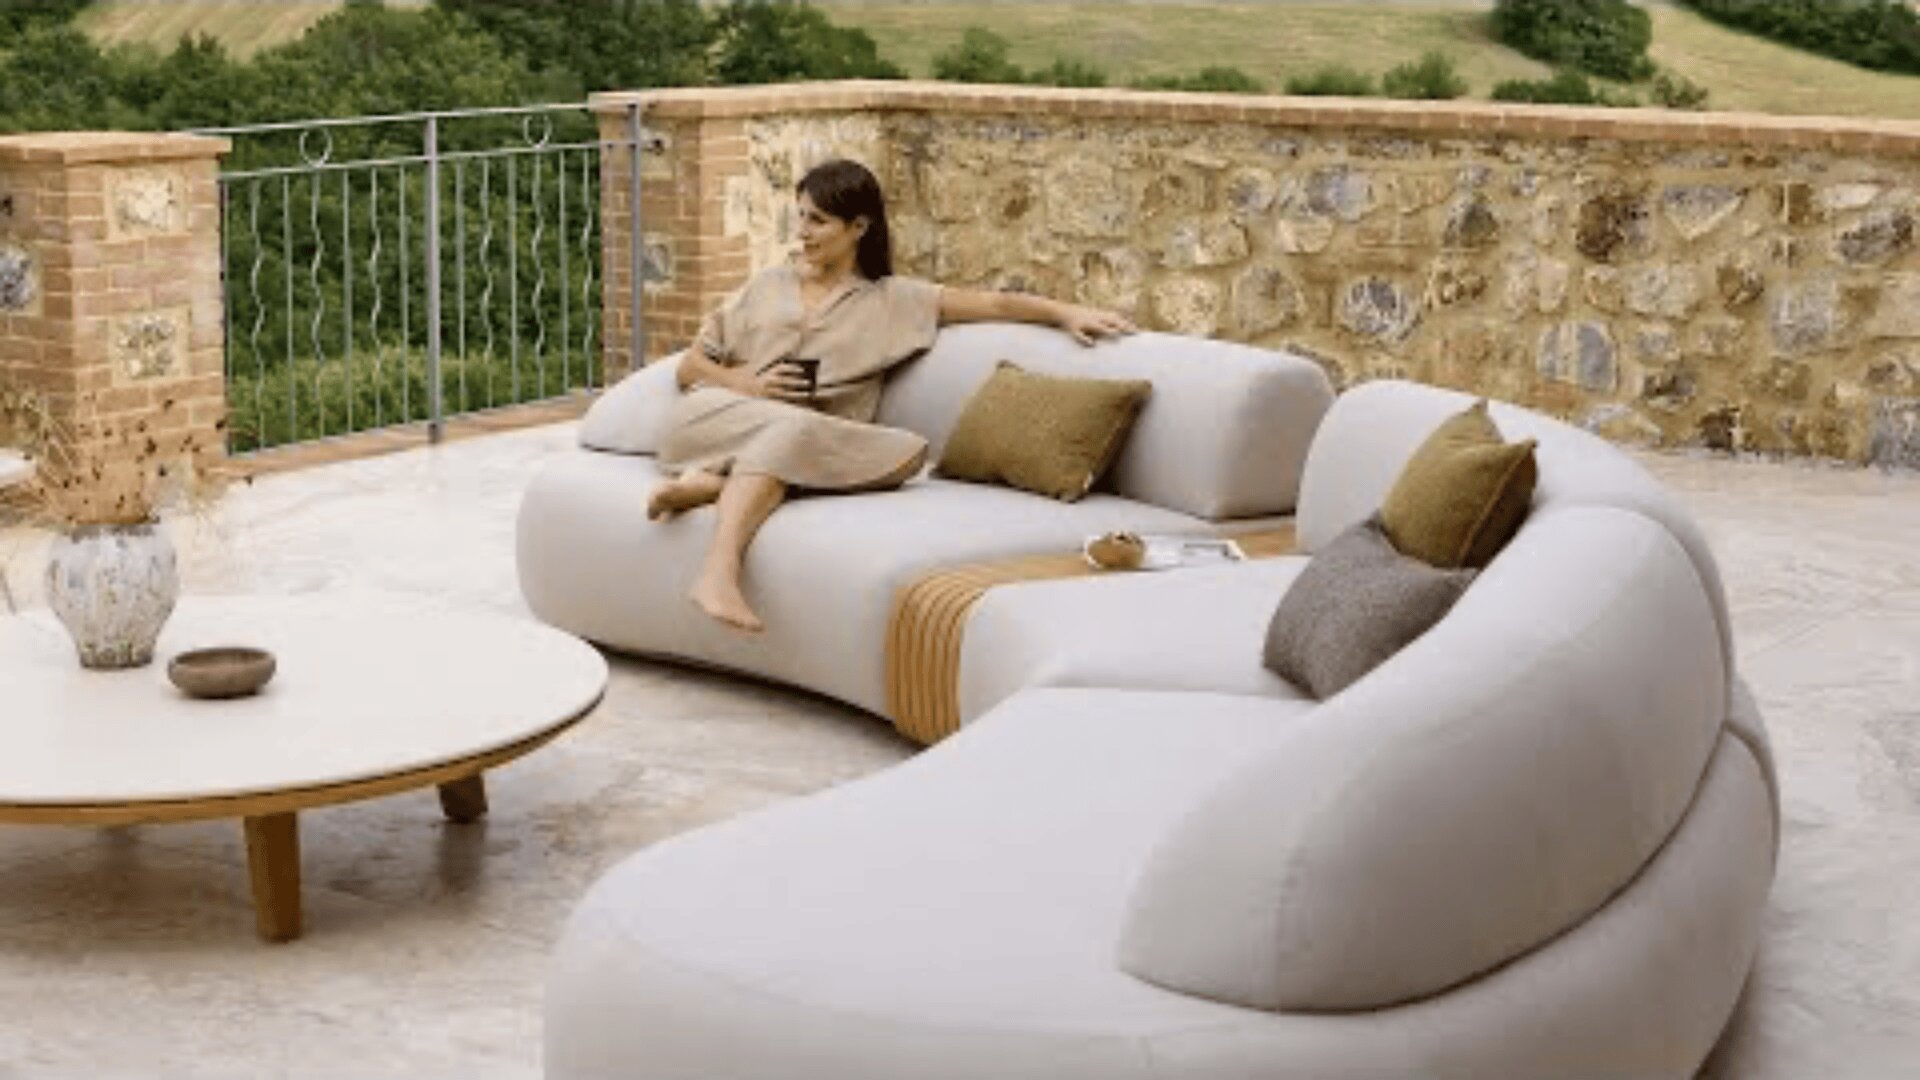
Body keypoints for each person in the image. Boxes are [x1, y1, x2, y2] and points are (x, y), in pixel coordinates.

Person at [649, 158, 1136, 632]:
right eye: (800, 216)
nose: (802, 232)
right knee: (785, 430)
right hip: (714, 420)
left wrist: (1065, 313)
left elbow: (993, 302)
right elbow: (691, 367)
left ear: (858, 226)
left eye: (817, 220)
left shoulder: (894, 300)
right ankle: (719, 572)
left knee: (888, 447)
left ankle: (717, 482)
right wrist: (747, 384)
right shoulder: (767, 285)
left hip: (808, 440)